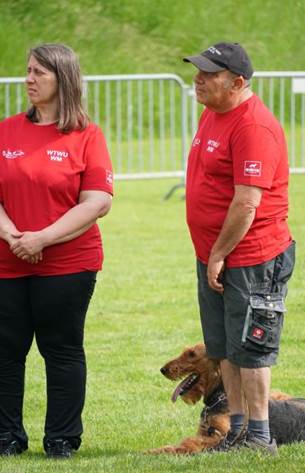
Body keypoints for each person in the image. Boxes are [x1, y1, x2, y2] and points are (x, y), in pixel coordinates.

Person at [0, 43, 113, 458]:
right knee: (5, 350)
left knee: (61, 349)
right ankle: (6, 436)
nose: (28, 79)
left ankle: (62, 438)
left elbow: (97, 201)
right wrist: (13, 235)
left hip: (68, 264)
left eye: (38, 73)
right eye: (27, 71)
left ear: (62, 79)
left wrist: (41, 239)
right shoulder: (5, 130)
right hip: (5, 261)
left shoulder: (87, 135)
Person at [183, 42, 295, 455]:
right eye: (198, 70)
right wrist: (209, 252)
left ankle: (261, 437)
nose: (198, 78)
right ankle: (237, 429)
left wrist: (217, 253)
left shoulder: (254, 127)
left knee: (251, 347)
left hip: (252, 257)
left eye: (209, 73)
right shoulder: (212, 113)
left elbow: (247, 202)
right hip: (214, 254)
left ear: (238, 82)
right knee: (223, 346)